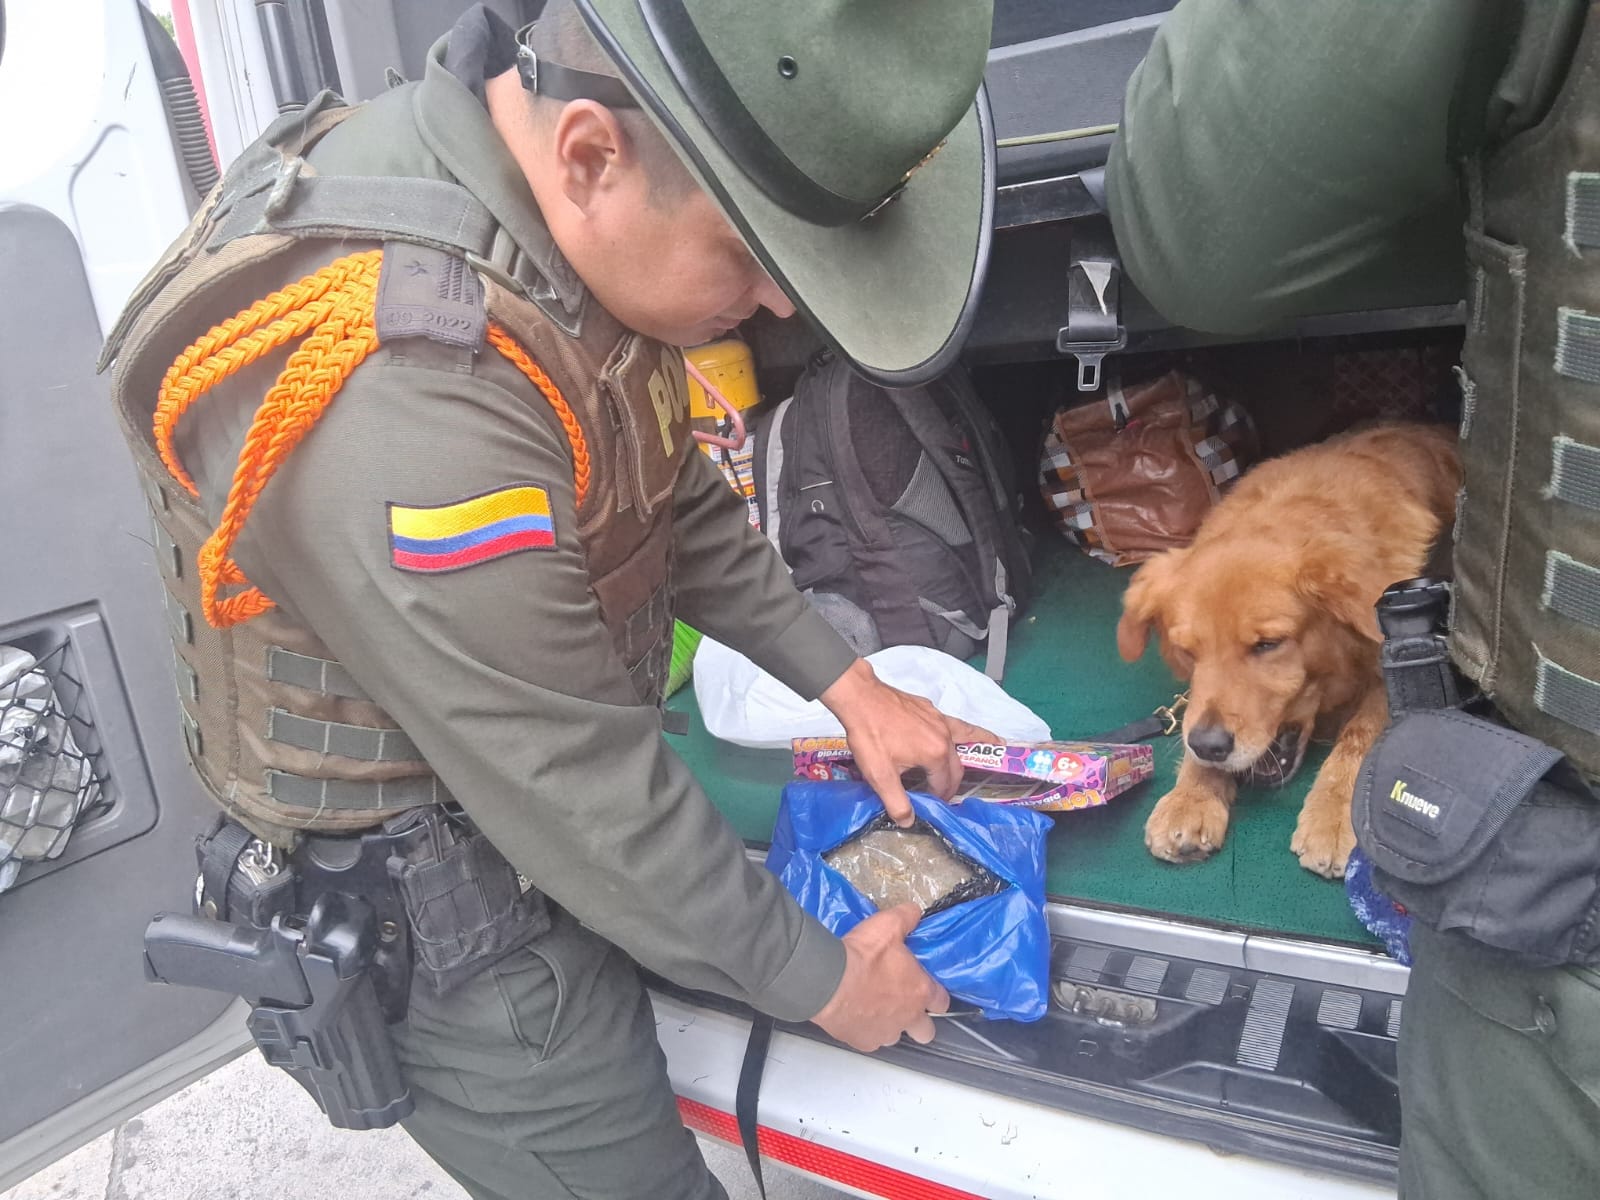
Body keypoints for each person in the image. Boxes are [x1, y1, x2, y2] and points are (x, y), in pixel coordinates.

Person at [98, 3, 999, 1198]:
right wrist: (829, 983)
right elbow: (581, 794)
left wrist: (846, 685)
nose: (781, 309)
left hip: (535, 791)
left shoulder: (515, 193)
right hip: (462, 930)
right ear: (587, 155)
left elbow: (654, 475)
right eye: (752, 258)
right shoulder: (411, 399)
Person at [1104, 3, 1600, 1198]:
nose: (1211, 698)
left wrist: (1345, 772)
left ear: (1325, 610)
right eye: (1186, 653)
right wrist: (1199, 768)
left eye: (1262, 646)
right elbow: (1218, 665)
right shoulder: (1206, 585)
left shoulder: (1367, 584)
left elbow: (1385, 664)